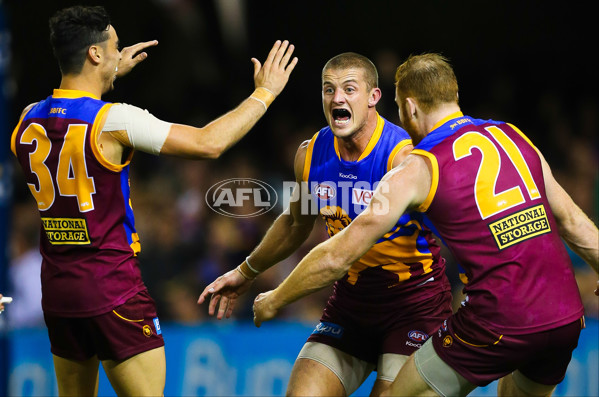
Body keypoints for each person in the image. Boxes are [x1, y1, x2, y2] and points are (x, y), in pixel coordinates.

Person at [252, 53, 599, 397]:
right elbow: (573, 223)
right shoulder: (514, 137)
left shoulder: (419, 166)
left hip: (496, 317)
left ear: (409, 108)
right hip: (566, 315)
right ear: (455, 97)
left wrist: (274, 299)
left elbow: (338, 254)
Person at [10, 5, 297, 396]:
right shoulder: (114, 119)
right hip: (112, 285)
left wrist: (105, 71)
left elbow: (66, 116)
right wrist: (265, 93)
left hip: (60, 290)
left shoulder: (27, 119)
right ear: (94, 54)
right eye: (114, 46)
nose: (119, 51)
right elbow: (208, 143)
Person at [199, 52, 453, 396]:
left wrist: (276, 298)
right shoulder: (311, 153)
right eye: (328, 90)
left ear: (373, 98)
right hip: (351, 306)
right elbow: (294, 223)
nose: (338, 98)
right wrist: (244, 272)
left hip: (413, 305)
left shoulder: (402, 156)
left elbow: (339, 256)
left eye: (350, 89)